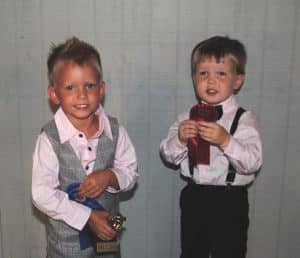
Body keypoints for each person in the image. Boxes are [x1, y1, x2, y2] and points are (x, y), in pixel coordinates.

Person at [31, 37, 138, 258]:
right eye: (70, 87)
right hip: (65, 248)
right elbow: (41, 194)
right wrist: (87, 216)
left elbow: (130, 173)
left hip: (107, 244)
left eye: (89, 86)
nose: (81, 95)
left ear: (101, 89)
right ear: (54, 94)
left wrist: (109, 176)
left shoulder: (116, 131)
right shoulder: (49, 139)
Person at [160, 36, 262, 258]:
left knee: (230, 252)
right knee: (191, 252)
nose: (211, 81)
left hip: (230, 200)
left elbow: (253, 162)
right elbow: (168, 155)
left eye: (221, 73)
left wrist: (226, 141)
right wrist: (180, 139)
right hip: (194, 196)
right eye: (203, 73)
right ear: (194, 78)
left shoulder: (244, 119)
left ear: (238, 80)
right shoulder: (186, 117)